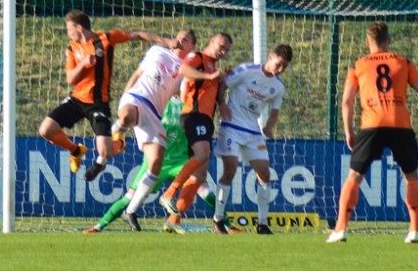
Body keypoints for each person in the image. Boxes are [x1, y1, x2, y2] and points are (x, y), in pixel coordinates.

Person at [327, 21, 418, 244]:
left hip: (371, 124)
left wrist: (348, 131)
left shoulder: (358, 65)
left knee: (354, 176)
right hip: (400, 124)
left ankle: (340, 229)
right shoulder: (404, 62)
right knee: (411, 175)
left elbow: (346, 101)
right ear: (389, 40)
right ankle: (414, 230)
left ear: (368, 43)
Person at [38, 10, 167, 182]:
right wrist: (83, 64)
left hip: (98, 103)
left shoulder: (106, 38)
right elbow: (70, 79)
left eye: (69, 29)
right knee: (46, 130)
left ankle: (119, 141)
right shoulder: (72, 47)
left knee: (105, 151)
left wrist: (167, 42)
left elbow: (137, 35)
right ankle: (76, 150)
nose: (68, 33)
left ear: (79, 28)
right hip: (77, 100)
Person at [82, 94, 235, 234]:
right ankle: (98, 227)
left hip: (181, 161)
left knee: (204, 190)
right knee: (129, 198)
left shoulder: (189, 105)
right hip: (155, 161)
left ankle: (226, 224)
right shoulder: (157, 102)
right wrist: (118, 135)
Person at [111, 29, 195, 231]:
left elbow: (183, 94)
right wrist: (125, 96)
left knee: (156, 161)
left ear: (192, 47)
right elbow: (137, 74)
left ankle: (130, 211)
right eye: (179, 35)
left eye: (186, 39)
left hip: (154, 114)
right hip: (136, 99)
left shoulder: (186, 69)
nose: (180, 39)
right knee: (126, 116)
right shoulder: (157, 51)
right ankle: (115, 134)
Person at [211, 43, 293, 235]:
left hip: (253, 132)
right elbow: (223, 85)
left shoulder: (278, 87)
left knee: (265, 174)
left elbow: (274, 112)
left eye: (284, 67)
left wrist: (269, 126)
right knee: (230, 170)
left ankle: (262, 223)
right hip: (231, 126)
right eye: (279, 64)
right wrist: (222, 104)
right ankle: (218, 218)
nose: (280, 69)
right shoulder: (246, 70)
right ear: (270, 57)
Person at [157, 32, 231, 229]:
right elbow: (184, 69)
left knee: (199, 175)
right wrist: (209, 76)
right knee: (202, 154)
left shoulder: (213, 67)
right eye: (221, 47)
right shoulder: (197, 57)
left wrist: (222, 94)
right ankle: (169, 193)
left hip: (206, 120)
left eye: (226, 50)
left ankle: (173, 221)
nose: (223, 52)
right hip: (193, 114)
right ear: (212, 41)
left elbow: (213, 92)